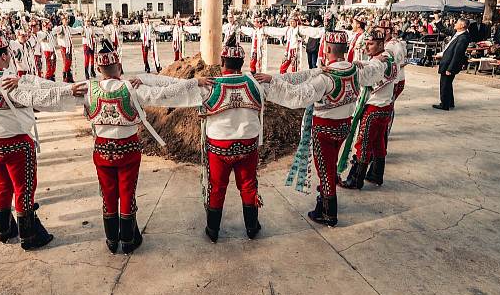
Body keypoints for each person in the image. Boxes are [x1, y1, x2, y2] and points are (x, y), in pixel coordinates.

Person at [139, 35, 319, 243]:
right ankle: (252, 227)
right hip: (248, 145)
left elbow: (170, 89)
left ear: (223, 63)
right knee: (249, 185)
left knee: (217, 187)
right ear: (241, 63)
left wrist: (144, 80)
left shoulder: (208, 85)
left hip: (219, 147)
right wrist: (316, 72)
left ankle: (213, 230)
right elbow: (294, 86)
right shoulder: (257, 83)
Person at [0, 28, 85, 250]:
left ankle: (5, 230)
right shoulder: (5, 82)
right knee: (24, 188)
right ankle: (29, 236)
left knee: (2, 185)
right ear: (4, 55)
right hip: (14, 142)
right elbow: (38, 97)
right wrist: (69, 92)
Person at [85, 41, 204, 254]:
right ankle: (129, 240)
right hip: (128, 151)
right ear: (119, 66)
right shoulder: (132, 89)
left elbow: (57, 93)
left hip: (102, 152)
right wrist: (194, 82)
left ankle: (112, 241)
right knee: (127, 192)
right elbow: (165, 93)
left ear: (98, 69)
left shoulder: (89, 90)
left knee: (109, 194)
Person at [281, 31, 386, 225]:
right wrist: (380, 59)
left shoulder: (325, 78)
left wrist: (271, 82)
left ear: (327, 49)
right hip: (344, 126)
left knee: (325, 170)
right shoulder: (356, 71)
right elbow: (376, 70)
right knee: (329, 166)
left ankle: (329, 213)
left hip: (324, 130)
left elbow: (298, 95)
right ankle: (323, 203)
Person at [339, 29, 399, 189]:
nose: (367, 47)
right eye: (366, 43)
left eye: (371, 44)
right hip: (385, 108)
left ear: (380, 44)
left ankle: (355, 180)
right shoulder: (388, 57)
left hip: (374, 109)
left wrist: (354, 68)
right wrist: (363, 64)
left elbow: (367, 76)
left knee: (363, 144)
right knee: (378, 143)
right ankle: (375, 175)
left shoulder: (378, 62)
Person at [433, 19, 471, 111]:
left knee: (445, 84)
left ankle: (444, 104)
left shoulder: (463, 37)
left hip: (450, 64)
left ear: (462, 26)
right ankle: (450, 102)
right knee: (448, 84)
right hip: (447, 60)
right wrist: (437, 19)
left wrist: (450, 68)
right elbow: (444, 30)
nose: (455, 24)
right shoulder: (457, 33)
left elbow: (457, 54)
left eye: (457, 23)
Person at [54, 15, 74, 82]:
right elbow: (54, 31)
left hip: (69, 47)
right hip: (64, 47)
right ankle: (65, 77)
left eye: (67, 19)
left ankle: (69, 76)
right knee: (66, 62)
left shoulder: (68, 28)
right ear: (62, 21)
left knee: (69, 62)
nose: (66, 21)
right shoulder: (60, 28)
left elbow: (74, 30)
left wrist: (81, 28)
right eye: (65, 20)